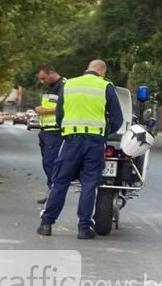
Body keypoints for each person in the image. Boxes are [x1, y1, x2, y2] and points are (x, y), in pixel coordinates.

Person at [37, 59, 123, 239]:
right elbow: (117, 119)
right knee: (89, 183)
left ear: (87, 70)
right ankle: (84, 228)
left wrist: (67, 131)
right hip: (94, 143)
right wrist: (104, 133)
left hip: (71, 141)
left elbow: (60, 115)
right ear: (102, 73)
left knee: (60, 181)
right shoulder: (106, 86)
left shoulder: (69, 85)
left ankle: (46, 223)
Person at [34, 64, 65, 204]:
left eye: (43, 78)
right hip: (45, 130)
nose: (42, 82)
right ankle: (51, 191)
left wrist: (45, 111)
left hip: (55, 130)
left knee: (51, 163)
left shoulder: (65, 85)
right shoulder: (49, 87)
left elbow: (65, 106)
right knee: (47, 163)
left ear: (51, 73)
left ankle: (55, 194)